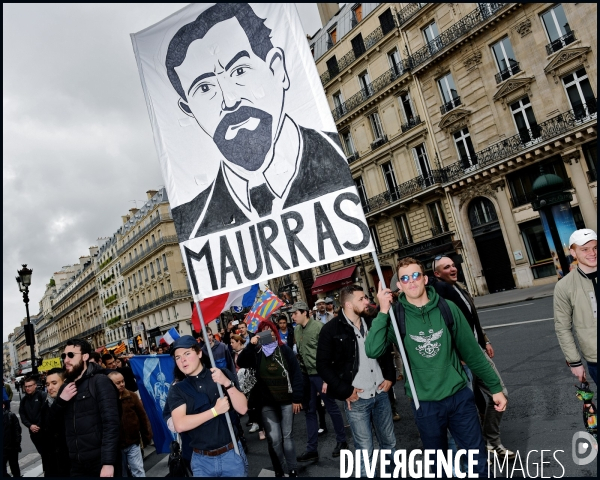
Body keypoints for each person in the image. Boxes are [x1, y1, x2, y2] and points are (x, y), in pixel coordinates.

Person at [167, 3, 355, 241]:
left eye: (239, 71)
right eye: (205, 88)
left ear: (278, 69)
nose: (230, 99)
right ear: (189, 111)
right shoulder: (193, 225)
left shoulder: (338, 160)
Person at [365, 257, 507, 477]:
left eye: (415, 275)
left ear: (424, 279)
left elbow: (471, 352)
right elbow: (373, 350)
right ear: (399, 286)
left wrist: (495, 387)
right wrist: (383, 311)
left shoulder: (446, 308)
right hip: (425, 404)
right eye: (404, 278)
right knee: (438, 467)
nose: (411, 281)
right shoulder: (396, 317)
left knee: (478, 462)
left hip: (459, 397)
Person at [432, 255, 515, 459]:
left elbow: (472, 318)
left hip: (477, 352)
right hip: (461, 359)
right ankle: (471, 449)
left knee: (500, 393)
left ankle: (492, 441)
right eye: (446, 267)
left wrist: (484, 339)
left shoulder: (459, 288)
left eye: (453, 265)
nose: (453, 269)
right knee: (464, 406)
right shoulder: (438, 293)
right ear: (436, 274)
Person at [317, 285, 397, 477]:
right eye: (361, 299)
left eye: (366, 298)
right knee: (364, 450)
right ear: (348, 304)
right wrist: (345, 391)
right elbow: (323, 366)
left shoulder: (372, 321)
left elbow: (385, 349)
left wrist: (390, 377)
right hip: (357, 399)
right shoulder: (330, 330)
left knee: (389, 443)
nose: (366, 302)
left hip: (381, 392)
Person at [166, 335, 249, 477]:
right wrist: (215, 411)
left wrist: (227, 383)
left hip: (231, 454)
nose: (182, 360)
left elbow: (243, 408)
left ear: (199, 353)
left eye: (187, 353)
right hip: (201, 462)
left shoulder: (221, 374)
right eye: (177, 357)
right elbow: (180, 424)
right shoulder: (177, 389)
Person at [238, 321, 303, 477]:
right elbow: (241, 362)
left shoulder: (285, 350)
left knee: (287, 436)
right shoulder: (257, 352)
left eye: (271, 332)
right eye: (264, 332)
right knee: (274, 439)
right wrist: (251, 345)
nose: (269, 335)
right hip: (267, 402)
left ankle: (292, 468)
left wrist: (297, 398)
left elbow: (296, 374)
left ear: (276, 333)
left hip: (287, 400)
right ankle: (279, 470)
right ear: (259, 336)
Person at [54, 338, 121, 477]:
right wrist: (60, 401)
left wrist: (108, 463)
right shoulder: (65, 388)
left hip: (99, 463)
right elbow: (51, 425)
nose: (66, 359)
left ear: (85, 357)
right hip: (75, 465)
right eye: (64, 356)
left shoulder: (100, 381)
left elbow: (111, 423)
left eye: (71, 355)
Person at [291, 301, 348, 461]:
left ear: (305, 313)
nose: (293, 316)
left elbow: (331, 352)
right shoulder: (295, 330)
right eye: (292, 314)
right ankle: (312, 449)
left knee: (331, 407)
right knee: (309, 411)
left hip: (321, 374)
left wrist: (327, 378)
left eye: (295, 313)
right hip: (306, 375)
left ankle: (342, 441)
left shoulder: (318, 328)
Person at [554, 228, 597, 385]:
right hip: (595, 359)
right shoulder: (564, 286)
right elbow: (562, 327)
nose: (592, 253)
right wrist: (574, 362)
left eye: (595, 247)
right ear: (573, 252)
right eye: (584, 249)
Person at [108, 371, 153, 477]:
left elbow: (142, 417)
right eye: (118, 383)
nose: (122, 384)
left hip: (133, 441)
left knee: (138, 470)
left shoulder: (132, 396)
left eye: (123, 381)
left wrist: (147, 436)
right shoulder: (106, 400)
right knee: (122, 473)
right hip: (116, 445)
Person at [40, 368, 71, 477]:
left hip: (72, 464)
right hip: (53, 466)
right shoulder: (45, 406)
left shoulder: (74, 404)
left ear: (65, 382)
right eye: (47, 384)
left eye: (54, 383)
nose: (50, 388)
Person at [19, 375, 46, 456]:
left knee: (48, 453)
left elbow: (45, 412)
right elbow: (22, 416)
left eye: (30, 386)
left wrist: (38, 425)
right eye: (26, 386)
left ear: (35, 385)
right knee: (42, 453)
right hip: (33, 432)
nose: (27, 388)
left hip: (44, 430)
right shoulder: (24, 400)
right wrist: (30, 426)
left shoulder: (42, 395)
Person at [3, 402, 22, 477]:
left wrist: (17, 444)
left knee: (14, 467)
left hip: (12, 447)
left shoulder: (11, 416)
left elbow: (17, 431)